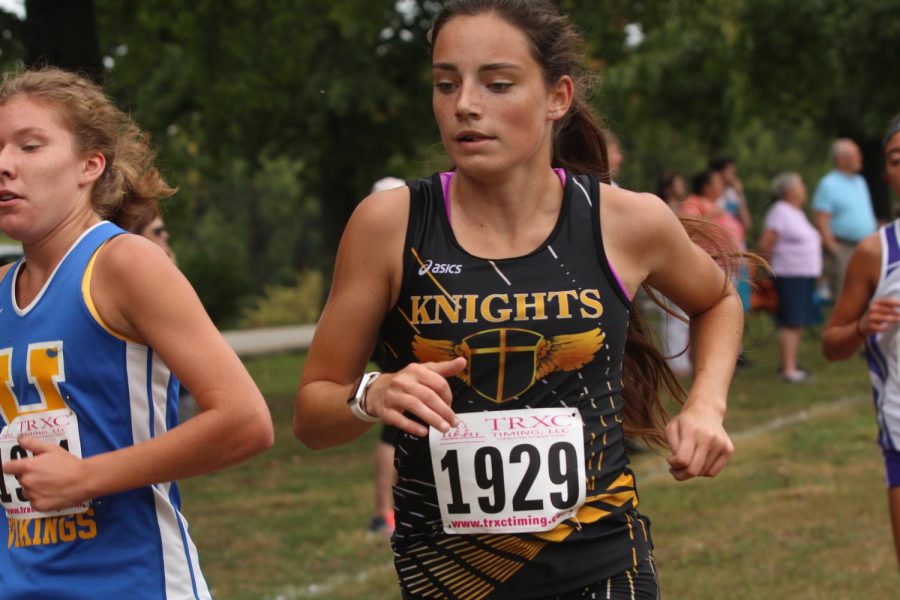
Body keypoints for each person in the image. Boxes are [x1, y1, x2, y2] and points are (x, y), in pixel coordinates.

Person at [293, 2, 741, 597]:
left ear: (557, 97)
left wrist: (706, 404)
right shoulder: (389, 225)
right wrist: (372, 393)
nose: (464, 105)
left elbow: (717, 301)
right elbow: (312, 415)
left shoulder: (623, 221)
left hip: (605, 567)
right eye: (445, 84)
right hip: (450, 578)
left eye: (497, 84)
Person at [0, 68, 274, 598]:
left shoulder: (124, 263)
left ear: (90, 164)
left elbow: (245, 422)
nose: (4, 164)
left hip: (135, 583)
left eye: (30, 146)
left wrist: (86, 477)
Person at [822, 116, 900, 567]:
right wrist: (862, 326)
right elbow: (833, 343)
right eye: (896, 159)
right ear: (887, 175)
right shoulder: (877, 252)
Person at [367, 176, 407, 536]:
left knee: (399, 421)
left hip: (393, 338)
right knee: (394, 421)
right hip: (390, 340)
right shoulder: (378, 239)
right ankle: (384, 512)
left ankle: (388, 510)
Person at [758, 172, 822, 382]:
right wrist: (767, 270)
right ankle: (788, 369)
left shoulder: (796, 212)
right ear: (788, 191)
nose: (804, 188)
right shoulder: (780, 211)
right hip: (790, 274)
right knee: (791, 320)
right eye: (800, 184)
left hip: (802, 274)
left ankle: (791, 363)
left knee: (798, 320)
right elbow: (766, 242)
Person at [813, 138, 877, 298]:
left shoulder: (860, 181)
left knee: (869, 293)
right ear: (841, 159)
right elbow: (821, 220)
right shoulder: (829, 184)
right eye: (856, 154)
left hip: (867, 246)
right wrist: (834, 249)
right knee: (846, 294)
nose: (860, 158)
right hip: (845, 248)